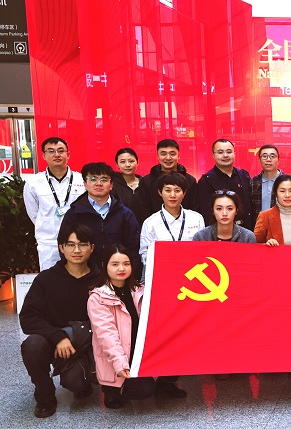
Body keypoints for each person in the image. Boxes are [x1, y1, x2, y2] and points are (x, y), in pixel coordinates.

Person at [87, 245, 186, 409]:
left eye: (126, 264)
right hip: (119, 358)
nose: (121, 268)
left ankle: (164, 382)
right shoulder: (98, 298)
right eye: (115, 264)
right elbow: (106, 336)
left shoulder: (140, 291)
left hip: (142, 355)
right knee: (143, 390)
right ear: (105, 266)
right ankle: (113, 390)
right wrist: (119, 364)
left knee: (179, 349)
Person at [20, 224, 100, 418]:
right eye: (70, 245)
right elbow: (28, 317)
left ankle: (84, 378)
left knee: (76, 383)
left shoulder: (101, 279)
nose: (77, 250)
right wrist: (58, 337)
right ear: (61, 248)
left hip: (90, 343)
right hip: (58, 343)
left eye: (82, 244)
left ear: (92, 247)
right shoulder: (46, 279)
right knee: (33, 344)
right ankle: (45, 396)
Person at [57, 162, 141, 279]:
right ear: (85, 184)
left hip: (118, 276)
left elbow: (134, 248)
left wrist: (133, 278)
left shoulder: (125, 214)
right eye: (93, 179)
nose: (98, 183)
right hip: (84, 275)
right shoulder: (74, 213)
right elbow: (64, 246)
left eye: (104, 179)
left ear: (111, 185)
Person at [23, 137, 86, 271]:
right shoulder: (34, 183)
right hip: (48, 243)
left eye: (61, 151)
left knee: (79, 277)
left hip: (78, 242)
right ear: (43, 155)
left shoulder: (81, 180)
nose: (56, 155)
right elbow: (34, 214)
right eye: (51, 151)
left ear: (68, 154)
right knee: (50, 279)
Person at [139, 173, 206, 272]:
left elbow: (203, 249)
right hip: (163, 271)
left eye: (177, 190)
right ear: (160, 192)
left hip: (192, 272)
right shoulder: (150, 223)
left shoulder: (196, 218)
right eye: (168, 190)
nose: (172, 195)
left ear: (184, 193)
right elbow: (145, 254)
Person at [135, 138, 199, 223]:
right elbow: (143, 210)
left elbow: (194, 207)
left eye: (172, 154)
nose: (168, 158)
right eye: (163, 154)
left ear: (178, 155)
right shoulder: (146, 181)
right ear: (158, 156)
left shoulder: (190, 181)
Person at [197, 139, 254, 230]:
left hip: (246, 231)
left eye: (229, 152)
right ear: (213, 155)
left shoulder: (244, 175)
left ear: (234, 154)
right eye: (220, 152)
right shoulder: (206, 181)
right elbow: (206, 213)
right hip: (219, 232)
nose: (225, 155)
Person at [254, 174, 291, 248]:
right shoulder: (265, 216)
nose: (287, 195)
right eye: (282, 191)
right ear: (275, 193)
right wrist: (267, 245)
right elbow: (254, 244)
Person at [192, 191, 257, 243]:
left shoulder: (247, 237)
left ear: (236, 211)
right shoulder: (200, 237)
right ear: (213, 211)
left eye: (230, 209)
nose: (224, 213)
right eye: (219, 209)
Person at [250, 144, 284, 214]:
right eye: (264, 156)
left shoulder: (287, 181)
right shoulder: (253, 182)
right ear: (259, 160)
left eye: (272, 156)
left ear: (278, 160)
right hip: (259, 221)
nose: (268, 160)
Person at [111, 147, 141, 213]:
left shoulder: (145, 183)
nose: (127, 165)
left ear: (137, 162)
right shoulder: (112, 184)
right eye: (123, 162)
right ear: (117, 164)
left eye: (131, 161)